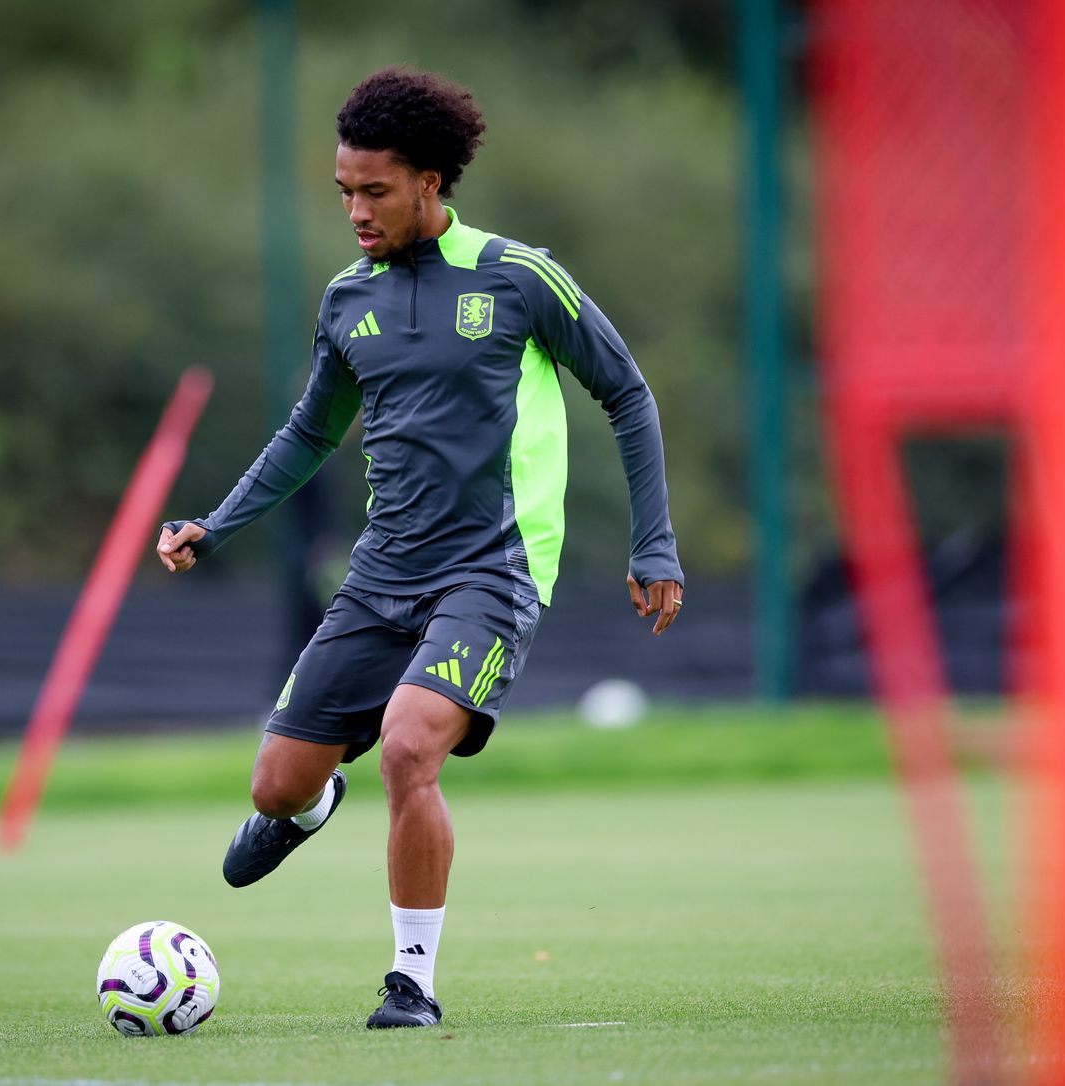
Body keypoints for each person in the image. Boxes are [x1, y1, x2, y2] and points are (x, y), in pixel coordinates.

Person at [157, 66, 684, 1029]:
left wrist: (655, 543)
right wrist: (216, 523)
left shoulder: (519, 278)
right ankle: (314, 806)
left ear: (432, 181)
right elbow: (309, 434)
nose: (356, 211)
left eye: (376, 191)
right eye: (343, 192)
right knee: (275, 784)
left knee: (408, 746)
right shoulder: (346, 299)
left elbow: (629, 394)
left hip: (493, 569)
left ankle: (412, 983)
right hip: (381, 572)